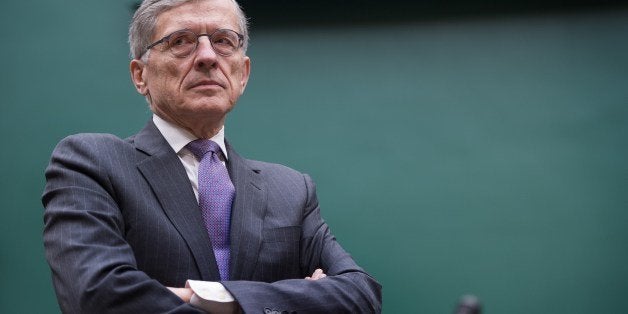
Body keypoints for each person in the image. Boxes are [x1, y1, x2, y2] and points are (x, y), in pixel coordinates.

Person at [42, 0, 382, 313]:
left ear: (243, 73)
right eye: (180, 41)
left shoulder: (292, 191)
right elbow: (98, 296)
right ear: (140, 75)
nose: (207, 56)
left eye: (223, 41)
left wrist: (208, 297)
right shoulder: (91, 163)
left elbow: (360, 296)